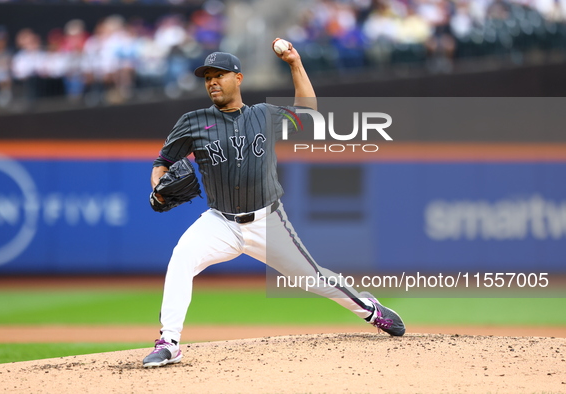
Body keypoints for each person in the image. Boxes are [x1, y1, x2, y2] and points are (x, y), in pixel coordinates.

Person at [142, 38, 405, 368]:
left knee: (315, 280)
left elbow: (308, 114)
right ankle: (170, 341)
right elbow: (162, 161)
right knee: (182, 256)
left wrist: (295, 63)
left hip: (267, 220)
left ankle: (369, 310)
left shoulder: (264, 115)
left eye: (218, 74)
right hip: (220, 222)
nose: (211, 81)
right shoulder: (193, 122)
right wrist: (158, 186)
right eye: (207, 76)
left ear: (238, 78)